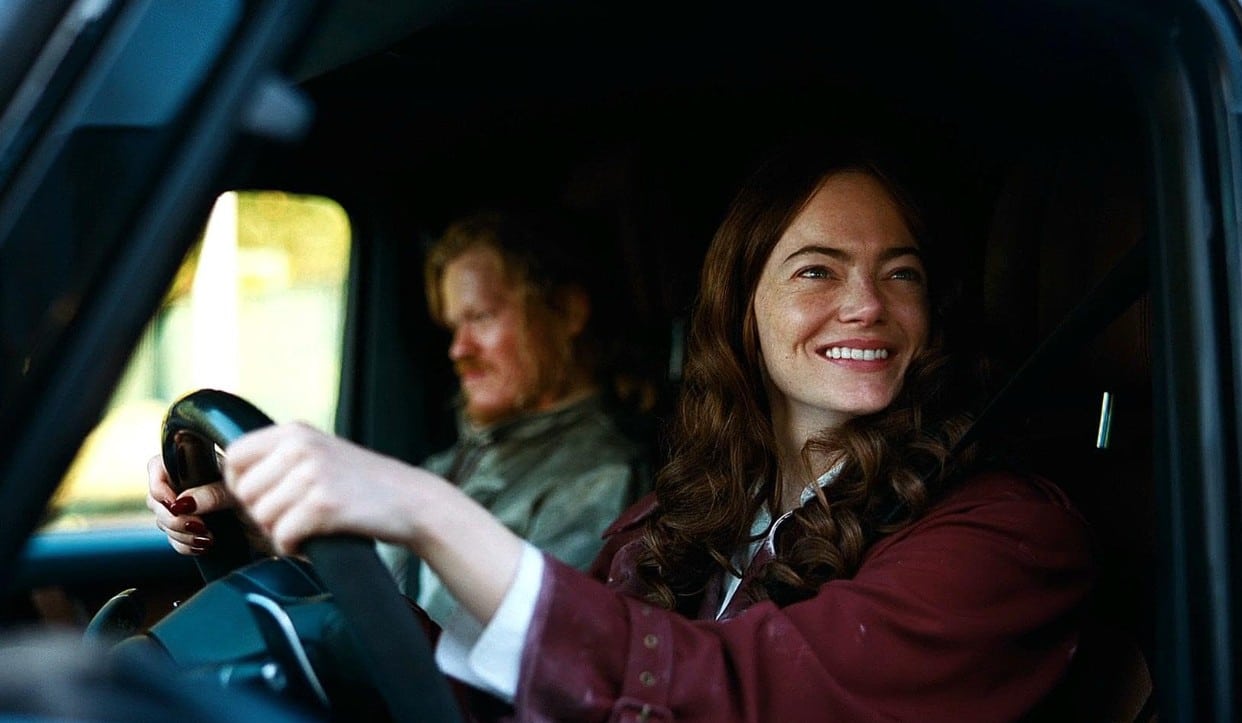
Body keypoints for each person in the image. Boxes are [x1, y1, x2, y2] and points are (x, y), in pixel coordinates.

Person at [149, 142, 1094, 721]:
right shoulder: (684, 513)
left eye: (901, 273)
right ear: (742, 309)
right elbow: (520, 688)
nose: (867, 304)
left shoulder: (1006, 533)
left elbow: (750, 695)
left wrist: (431, 512)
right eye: (817, 270)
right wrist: (297, 542)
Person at [148, 206, 653, 626]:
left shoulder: (604, 479)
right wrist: (256, 518)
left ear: (567, 311)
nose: (458, 349)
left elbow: (532, 655)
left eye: (480, 317)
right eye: (452, 327)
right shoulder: (459, 461)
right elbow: (378, 579)